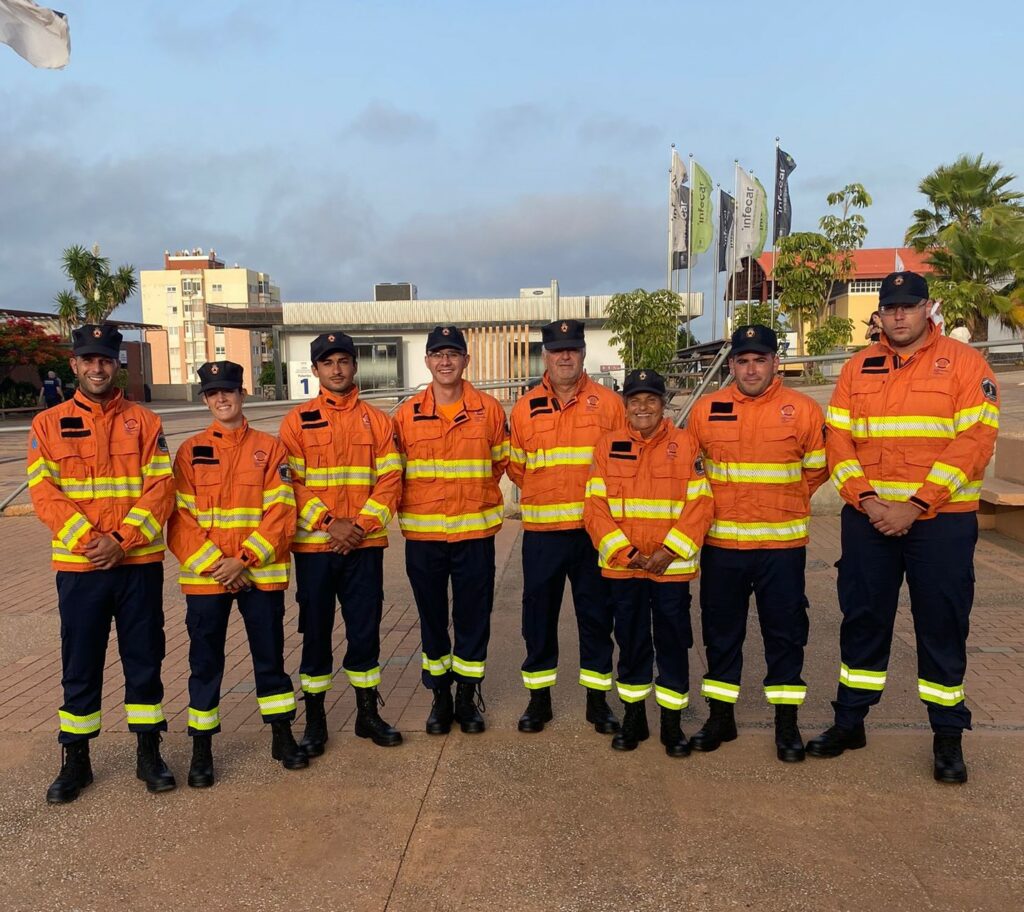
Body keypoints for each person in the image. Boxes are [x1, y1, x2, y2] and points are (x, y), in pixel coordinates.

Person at [809, 271, 999, 783]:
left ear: (928, 308)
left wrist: (915, 505)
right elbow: (839, 444)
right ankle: (850, 722)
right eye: (890, 307)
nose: (898, 315)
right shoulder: (857, 368)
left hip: (941, 521)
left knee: (941, 623)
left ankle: (947, 738)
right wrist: (868, 502)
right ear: (880, 314)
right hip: (869, 518)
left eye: (908, 306)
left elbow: (974, 444)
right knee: (863, 619)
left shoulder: (965, 365)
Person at [26, 324, 176, 804]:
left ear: (117, 364)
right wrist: (92, 542)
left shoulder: (146, 423)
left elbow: (161, 490)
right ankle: (76, 761)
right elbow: (43, 494)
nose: (97, 367)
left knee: (144, 658)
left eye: (105, 359)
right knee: (80, 663)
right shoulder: (47, 425)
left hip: (137, 565)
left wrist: (122, 540)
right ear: (74, 365)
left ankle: (149, 754)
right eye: (88, 359)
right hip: (80, 567)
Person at [686, 324, 827, 762]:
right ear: (732, 366)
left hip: (781, 549)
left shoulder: (802, 410)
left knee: (784, 635)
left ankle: (786, 723)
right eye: (742, 361)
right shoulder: (706, 410)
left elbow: (817, 469)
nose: (750, 369)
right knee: (720, 635)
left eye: (759, 360)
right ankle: (721, 717)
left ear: (775, 363)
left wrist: (784, 504)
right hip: (722, 546)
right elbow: (692, 474)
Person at [168, 361, 306, 787]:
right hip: (208, 578)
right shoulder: (190, 451)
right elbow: (178, 519)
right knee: (204, 664)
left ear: (241, 394)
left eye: (228, 390)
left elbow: (282, 512)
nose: (221, 398)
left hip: (257, 574)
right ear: (205, 399)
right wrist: (220, 566)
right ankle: (202, 749)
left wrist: (243, 560)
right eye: (212, 393)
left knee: (270, 659)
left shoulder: (271, 447)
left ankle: (282, 737)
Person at [279, 331, 403, 753]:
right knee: (316, 633)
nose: (337, 369)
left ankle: (367, 714)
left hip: (363, 547)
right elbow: (290, 484)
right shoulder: (296, 422)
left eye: (344, 361)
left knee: (365, 631)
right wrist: (331, 523)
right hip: (316, 547)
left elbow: (391, 481)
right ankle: (315, 719)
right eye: (328, 362)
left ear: (355, 366)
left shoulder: (379, 420)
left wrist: (360, 527)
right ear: (315, 370)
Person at [583, 369, 713, 754]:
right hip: (625, 569)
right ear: (625, 406)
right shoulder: (606, 446)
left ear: (663, 403)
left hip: (670, 570)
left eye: (651, 399)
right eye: (635, 400)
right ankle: (634, 719)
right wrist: (629, 555)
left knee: (672, 644)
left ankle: (671, 726)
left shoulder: (687, 445)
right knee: (632, 642)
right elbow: (594, 508)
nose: (643, 407)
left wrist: (669, 551)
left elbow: (701, 504)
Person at [508, 319, 626, 734]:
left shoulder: (610, 405)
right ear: (546, 355)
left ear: (582, 353)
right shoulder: (524, 407)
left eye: (572, 349)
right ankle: (539, 701)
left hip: (593, 534)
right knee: (538, 619)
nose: (565, 357)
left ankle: (598, 702)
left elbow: (622, 465)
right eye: (557, 350)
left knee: (596, 617)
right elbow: (516, 467)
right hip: (542, 535)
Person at [393, 326, 509, 734]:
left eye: (453, 354)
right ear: (427, 361)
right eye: (438, 354)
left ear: (465, 361)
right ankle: (440, 696)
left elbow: (498, 463)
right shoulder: (406, 414)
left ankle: (466, 696)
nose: (445, 361)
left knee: (473, 616)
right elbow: (396, 473)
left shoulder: (489, 410)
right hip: (424, 538)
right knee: (432, 618)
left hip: (474, 535)